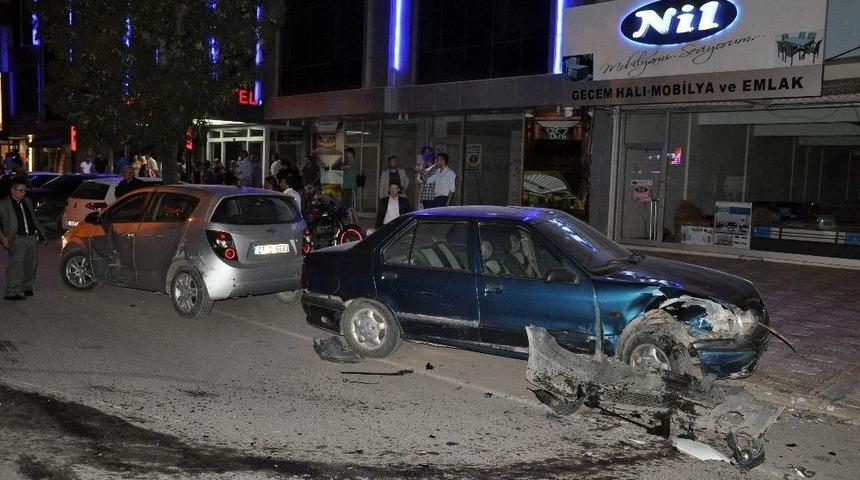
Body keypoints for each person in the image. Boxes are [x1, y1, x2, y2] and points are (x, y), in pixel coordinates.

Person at [0, 179, 47, 301]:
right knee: (16, 265)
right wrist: (3, 238)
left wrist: (41, 234)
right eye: (20, 191)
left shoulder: (27, 201)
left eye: (24, 190)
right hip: (16, 239)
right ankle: (11, 292)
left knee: (31, 264)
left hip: (31, 237)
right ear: (12, 190)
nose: (23, 193)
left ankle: (27, 287)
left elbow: (33, 218)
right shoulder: (4, 204)